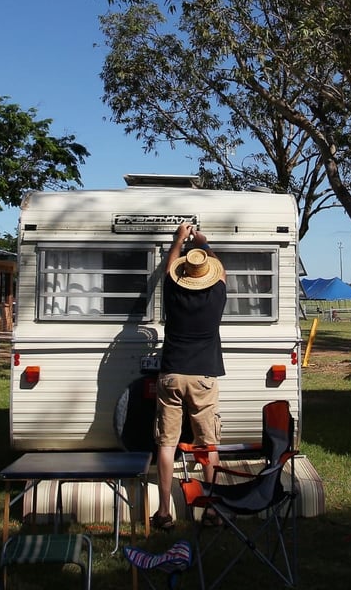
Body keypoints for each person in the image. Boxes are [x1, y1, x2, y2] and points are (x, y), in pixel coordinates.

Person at [151, 221, 226, 530]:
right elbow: (222, 272)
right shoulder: (217, 296)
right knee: (207, 444)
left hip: (171, 372)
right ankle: (209, 510)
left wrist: (179, 241)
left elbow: (170, 269)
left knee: (167, 443)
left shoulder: (172, 292)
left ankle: (164, 512)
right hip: (203, 376)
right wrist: (203, 243)